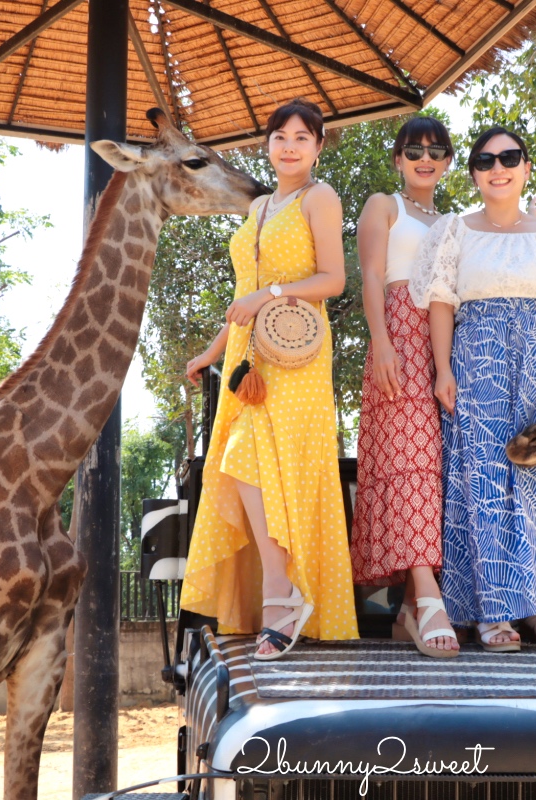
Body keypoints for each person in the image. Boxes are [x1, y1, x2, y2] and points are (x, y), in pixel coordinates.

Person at [408, 126, 536, 652]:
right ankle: (493, 612)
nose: (499, 167)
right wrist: (443, 369)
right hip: (478, 362)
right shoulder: (456, 231)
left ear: (526, 167)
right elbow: (441, 302)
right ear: (473, 174)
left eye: (510, 157)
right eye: (486, 160)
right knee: (485, 483)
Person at [180, 98, 358, 660]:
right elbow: (242, 294)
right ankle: (278, 593)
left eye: (302, 137)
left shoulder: (319, 197)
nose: (289, 145)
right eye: (280, 136)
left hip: (297, 356)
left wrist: (272, 294)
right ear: (268, 144)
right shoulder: (258, 207)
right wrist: (211, 352)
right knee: (240, 458)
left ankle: (283, 595)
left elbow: (334, 279)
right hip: (246, 354)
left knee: (275, 465)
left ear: (318, 146)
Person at [350, 117, 459, 658]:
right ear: (398, 159)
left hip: (447, 343)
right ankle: (428, 595)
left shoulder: (451, 220)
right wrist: (383, 341)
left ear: (446, 163)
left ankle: (410, 613)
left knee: (440, 470)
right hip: (397, 333)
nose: (424, 157)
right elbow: (371, 274)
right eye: (413, 149)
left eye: (435, 151)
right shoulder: (383, 204)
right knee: (409, 462)